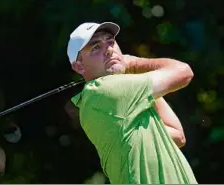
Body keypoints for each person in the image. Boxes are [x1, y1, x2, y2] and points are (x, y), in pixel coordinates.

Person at [66, 22, 198, 184]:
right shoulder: (102, 91)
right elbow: (183, 72)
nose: (109, 50)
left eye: (111, 42)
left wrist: (135, 73)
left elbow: (177, 136)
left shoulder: (128, 101)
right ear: (79, 66)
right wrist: (135, 64)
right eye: (95, 48)